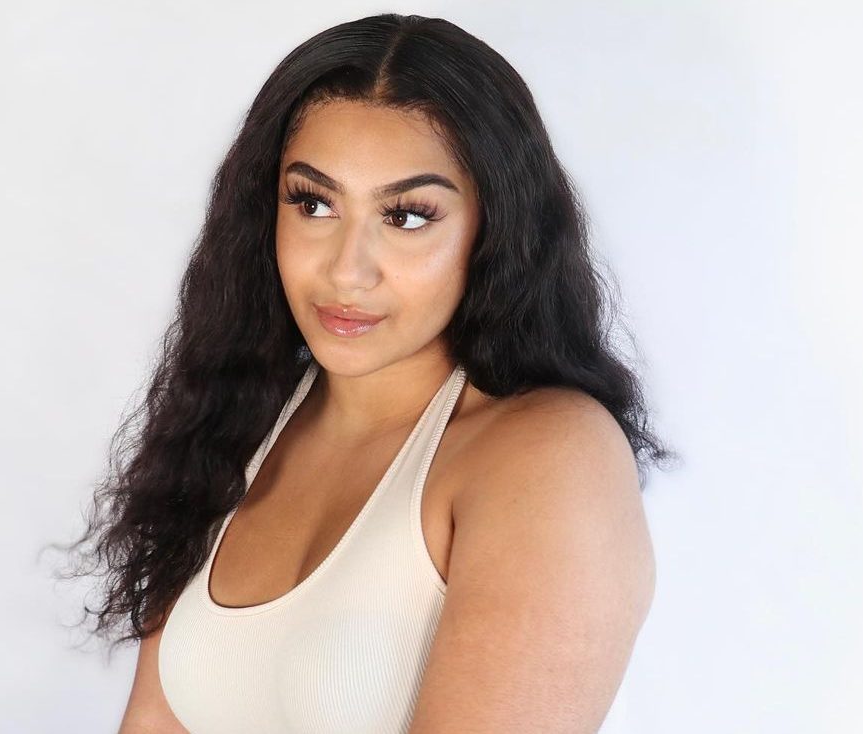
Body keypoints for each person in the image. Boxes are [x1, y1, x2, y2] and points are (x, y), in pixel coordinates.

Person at [59, 12, 676, 733]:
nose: (347, 271)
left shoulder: (548, 455)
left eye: (407, 216)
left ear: (495, 229)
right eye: (313, 203)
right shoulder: (234, 423)